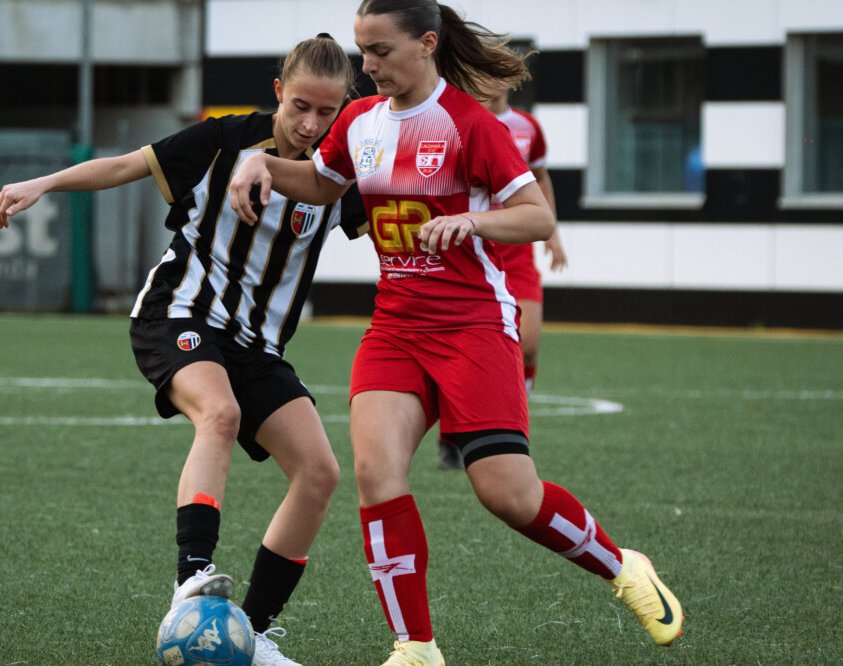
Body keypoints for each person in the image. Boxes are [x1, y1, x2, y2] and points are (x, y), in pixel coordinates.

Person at [226, 2, 684, 664]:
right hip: (396, 327)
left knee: (507, 494)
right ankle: (415, 647)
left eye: (380, 50)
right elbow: (321, 187)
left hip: (473, 326)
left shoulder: (471, 125)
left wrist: (476, 223)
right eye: (363, 51)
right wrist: (260, 166)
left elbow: (536, 218)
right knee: (374, 471)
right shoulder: (359, 121)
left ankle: (623, 567)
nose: (369, 66)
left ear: (427, 45)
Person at [0, 35, 366, 666]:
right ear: (278, 91)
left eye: (326, 113)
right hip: (179, 314)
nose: (310, 124)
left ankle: (251, 633)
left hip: (257, 345)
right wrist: (45, 182)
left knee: (320, 472)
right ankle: (190, 577)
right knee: (218, 415)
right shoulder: (224, 140)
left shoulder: (339, 172)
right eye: (300, 105)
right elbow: (125, 166)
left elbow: (399, 221)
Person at [436, 76, 568, 469]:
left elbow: (540, 179)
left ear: (510, 79)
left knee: (527, 343)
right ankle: (451, 434)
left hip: (515, 249)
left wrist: (553, 233)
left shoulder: (528, 128)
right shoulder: (461, 124)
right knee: (462, 349)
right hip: (474, 251)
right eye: (477, 73)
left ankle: (515, 424)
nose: (486, 81)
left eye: (493, 72)